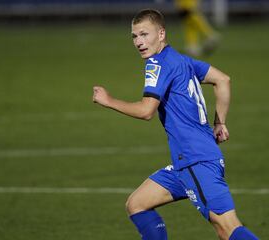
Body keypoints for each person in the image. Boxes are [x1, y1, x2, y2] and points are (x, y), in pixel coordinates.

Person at [92, 9, 259, 240]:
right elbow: (223, 80)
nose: (139, 42)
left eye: (144, 34)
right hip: (186, 163)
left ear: (161, 34)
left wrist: (109, 101)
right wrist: (220, 123)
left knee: (227, 227)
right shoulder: (181, 60)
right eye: (134, 36)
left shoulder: (156, 64)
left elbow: (146, 111)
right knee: (137, 204)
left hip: (196, 160)